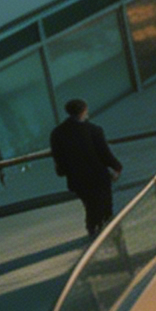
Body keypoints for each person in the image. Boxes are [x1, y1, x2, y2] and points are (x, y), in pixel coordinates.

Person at [48, 99, 121, 238]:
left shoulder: (57, 133)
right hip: (98, 176)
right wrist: (117, 167)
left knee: (90, 204)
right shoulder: (94, 130)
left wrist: (63, 170)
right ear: (84, 111)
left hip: (77, 178)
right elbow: (104, 153)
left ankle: (93, 228)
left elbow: (59, 158)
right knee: (105, 204)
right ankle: (106, 231)